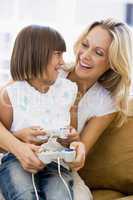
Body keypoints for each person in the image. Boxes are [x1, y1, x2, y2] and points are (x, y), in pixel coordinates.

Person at [0, 18, 132, 199]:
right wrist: (18, 145)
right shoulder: (48, 69)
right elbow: (10, 98)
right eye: (85, 45)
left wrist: (78, 149)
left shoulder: (105, 102)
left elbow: (76, 153)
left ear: (113, 62)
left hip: (57, 165)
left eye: (98, 52)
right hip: (16, 157)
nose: (85, 55)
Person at [0, 25, 88, 200]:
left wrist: (71, 139)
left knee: (60, 194)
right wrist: (18, 137)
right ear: (36, 55)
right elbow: (3, 142)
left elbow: (71, 135)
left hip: (57, 162)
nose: (62, 62)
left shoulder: (68, 91)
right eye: (58, 54)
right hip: (17, 161)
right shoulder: (11, 94)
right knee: (23, 193)